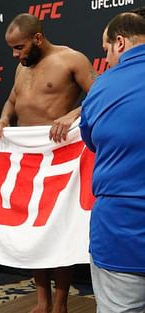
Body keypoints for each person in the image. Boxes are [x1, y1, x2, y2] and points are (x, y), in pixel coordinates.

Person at [0, 13, 96, 313]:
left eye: (19, 47)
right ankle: (42, 301)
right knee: (32, 231)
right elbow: (12, 100)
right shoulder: (21, 67)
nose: (15, 54)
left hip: (62, 156)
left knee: (56, 231)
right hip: (26, 158)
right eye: (12, 49)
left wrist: (72, 114)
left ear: (37, 38)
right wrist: (4, 117)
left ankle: (60, 303)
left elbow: (99, 95)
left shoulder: (72, 59)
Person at [79, 11, 145, 313]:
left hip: (122, 234)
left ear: (119, 43)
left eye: (105, 50)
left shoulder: (103, 87)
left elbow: (92, 141)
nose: (105, 58)